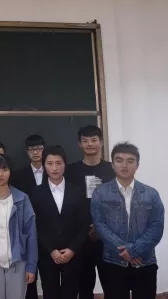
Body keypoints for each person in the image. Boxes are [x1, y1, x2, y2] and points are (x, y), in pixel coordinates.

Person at [91, 142, 164, 299]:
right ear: (112, 164)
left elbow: (157, 227)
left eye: (130, 161)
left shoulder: (151, 194)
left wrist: (134, 250)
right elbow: (100, 225)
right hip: (113, 262)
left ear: (137, 165)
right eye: (119, 160)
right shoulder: (100, 193)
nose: (124, 165)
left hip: (144, 261)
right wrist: (126, 251)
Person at [30, 146, 88, 299]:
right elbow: (36, 225)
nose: (54, 168)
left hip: (73, 253)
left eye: (58, 163)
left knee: (71, 292)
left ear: (65, 164)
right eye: (50, 163)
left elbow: (84, 224)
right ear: (44, 166)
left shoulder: (77, 190)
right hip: (47, 253)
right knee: (50, 292)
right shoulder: (36, 193)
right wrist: (51, 250)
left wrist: (72, 249)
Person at [0, 154, 38, 299]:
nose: (0, 174)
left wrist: (31, 266)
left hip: (18, 261)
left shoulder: (22, 199)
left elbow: (31, 235)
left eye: (4, 169)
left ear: (10, 172)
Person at [64, 125, 115, 299]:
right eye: (85, 141)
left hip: (108, 238)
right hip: (80, 238)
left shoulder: (112, 170)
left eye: (94, 140)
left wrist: (100, 227)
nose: (90, 144)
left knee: (113, 286)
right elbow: (67, 205)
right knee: (84, 288)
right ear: (79, 144)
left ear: (101, 142)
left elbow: (118, 203)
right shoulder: (70, 172)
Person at [10, 134, 45, 299]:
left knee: (49, 279)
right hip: (26, 233)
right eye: (32, 149)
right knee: (28, 279)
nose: (35, 152)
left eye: (39, 148)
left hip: (49, 233)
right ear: (26, 151)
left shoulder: (54, 171)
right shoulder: (18, 176)